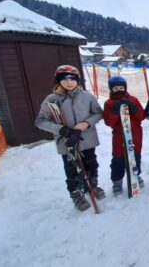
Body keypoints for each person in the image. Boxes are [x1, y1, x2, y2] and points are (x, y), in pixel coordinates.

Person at [35, 65, 104, 211]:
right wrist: (61, 130)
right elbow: (41, 121)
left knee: (91, 164)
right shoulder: (52, 99)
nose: (68, 82)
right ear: (58, 81)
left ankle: (92, 185)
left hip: (87, 140)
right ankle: (76, 193)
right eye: (64, 79)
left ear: (77, 80)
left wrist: (86, 124)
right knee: (72, 169)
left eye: (72, 78)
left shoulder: (87, 96)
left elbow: (98, 113)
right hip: (67, 142)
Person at [103, 76, 146, 195]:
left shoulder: (133, 99)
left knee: (135, 157)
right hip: (119, 136)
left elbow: (142, 116)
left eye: (121, 87)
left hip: (135, 134)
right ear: (111, 89)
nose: (119, 90)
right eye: (116, 88)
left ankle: (135, 175)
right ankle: (117, 181)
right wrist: (115, 112)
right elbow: (108, 122)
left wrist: (133, 108)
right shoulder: (109, 103)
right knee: (118, 159)